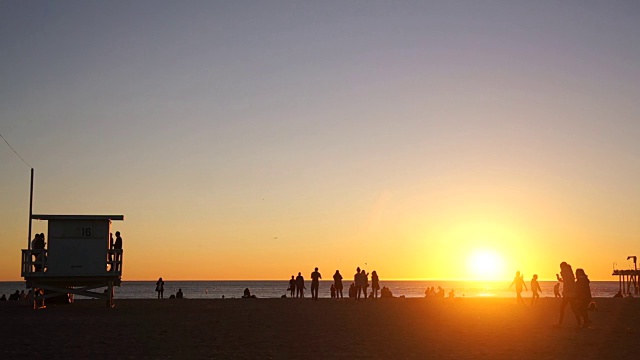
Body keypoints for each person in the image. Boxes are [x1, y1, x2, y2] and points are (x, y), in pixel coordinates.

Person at [555, 262, 580, 327]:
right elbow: (566, 281)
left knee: (563, 308)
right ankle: (579, 323)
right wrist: (559, 278)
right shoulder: (569, 274)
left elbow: (568, 283)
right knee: (573, 309)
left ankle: (560, 323)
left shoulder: (566, 273)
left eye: (561, 267)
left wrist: (566, 292)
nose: (561, 269)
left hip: (568, 294)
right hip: (570, 294)